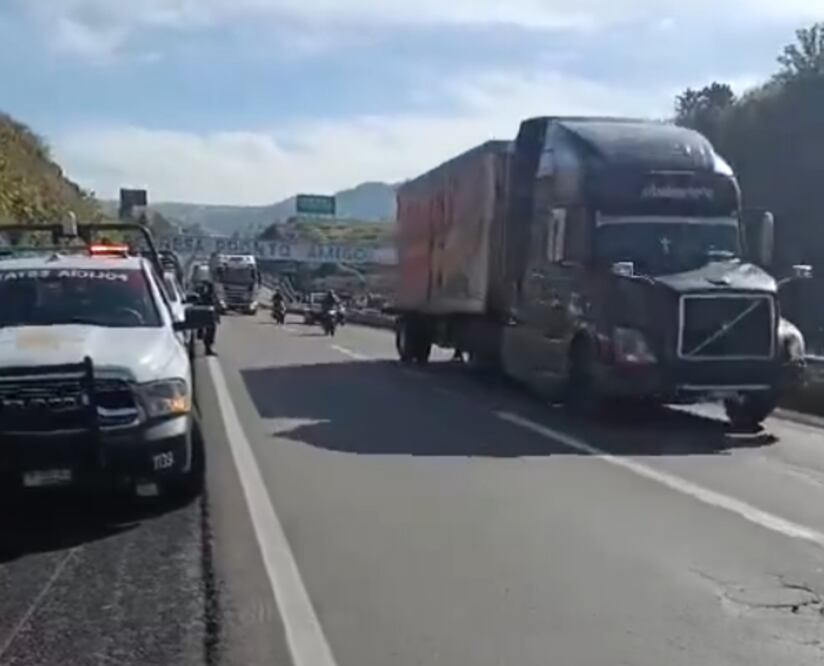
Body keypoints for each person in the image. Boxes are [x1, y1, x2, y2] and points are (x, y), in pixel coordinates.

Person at [195, 280, 220, 355]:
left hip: (210, 317)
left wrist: (217, 317)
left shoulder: (211, 296)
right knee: (208, 333)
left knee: (210, 333)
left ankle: (208, 348)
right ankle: (207, 348)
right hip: (207, 316)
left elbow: (216, 307)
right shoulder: (204, 296)